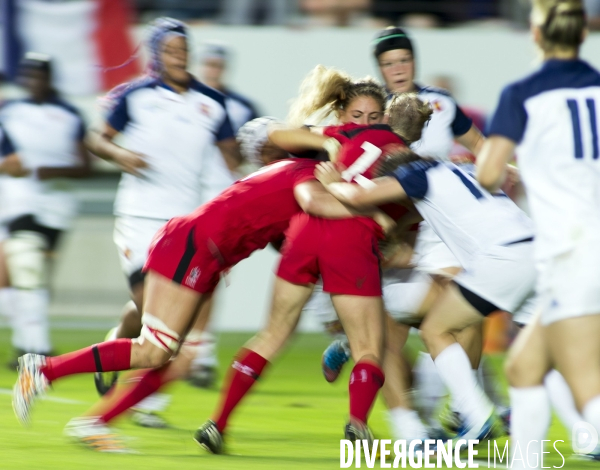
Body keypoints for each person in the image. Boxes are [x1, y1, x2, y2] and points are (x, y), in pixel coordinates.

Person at [10, 124, 363, 438]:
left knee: (181, 359)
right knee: (154, 348)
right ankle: (43, 370)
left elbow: (278, 235)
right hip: (193, 246)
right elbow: (313, 201)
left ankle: (94, 423)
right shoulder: (309, 177)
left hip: (204, 254)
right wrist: (369, 209)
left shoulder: (286, 169)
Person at [194, 93, 433, 453]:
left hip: (306, 230)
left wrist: (325, 144)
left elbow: (282, 135)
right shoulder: (410, 162)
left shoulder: (348, 133)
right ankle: (357, 423)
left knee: (272, 333)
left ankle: (218, 422)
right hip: (351, 235)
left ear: (383, 116)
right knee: (369, 346)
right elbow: (408, 212)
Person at [316, 145, 536, 441]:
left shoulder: (418, 179)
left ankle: (430, 422)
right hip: (538, 250)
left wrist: (333, 185)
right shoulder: (463, 173)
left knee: (419, 330)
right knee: (550, 349)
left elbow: (365, 203)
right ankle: (588, 429)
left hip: (496, 263)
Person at [89, 18, 241, 414]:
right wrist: (121, 155)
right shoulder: (134, 96)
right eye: (171, 50)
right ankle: (139, 403)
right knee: (153, 312)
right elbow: (96, 138)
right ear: (156, 54)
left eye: (184, 50)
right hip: (138, 219)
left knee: (160, 320)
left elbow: (233, 157)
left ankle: (120, 355)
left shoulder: (212, 103)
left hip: (182, 226)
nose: (179, 56)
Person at [476, 0, 600, 463]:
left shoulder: (522, 93)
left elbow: (488, 175)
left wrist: (522, 163)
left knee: (588, 390)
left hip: (573, 253)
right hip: (588, 249)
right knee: (525, 367)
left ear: (536, 34)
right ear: (582, 35)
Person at [0, 53, 91, 363]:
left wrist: (50, 171)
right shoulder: (10, 112)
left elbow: (86, 167)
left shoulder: (70, 115)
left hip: (58, 206)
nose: (34, 82)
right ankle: (38, 347)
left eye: (40, 75)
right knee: (26, 269)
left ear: (50, 78)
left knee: (35, 279)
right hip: (19, 200)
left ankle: (24, 340)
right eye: (29, 76)